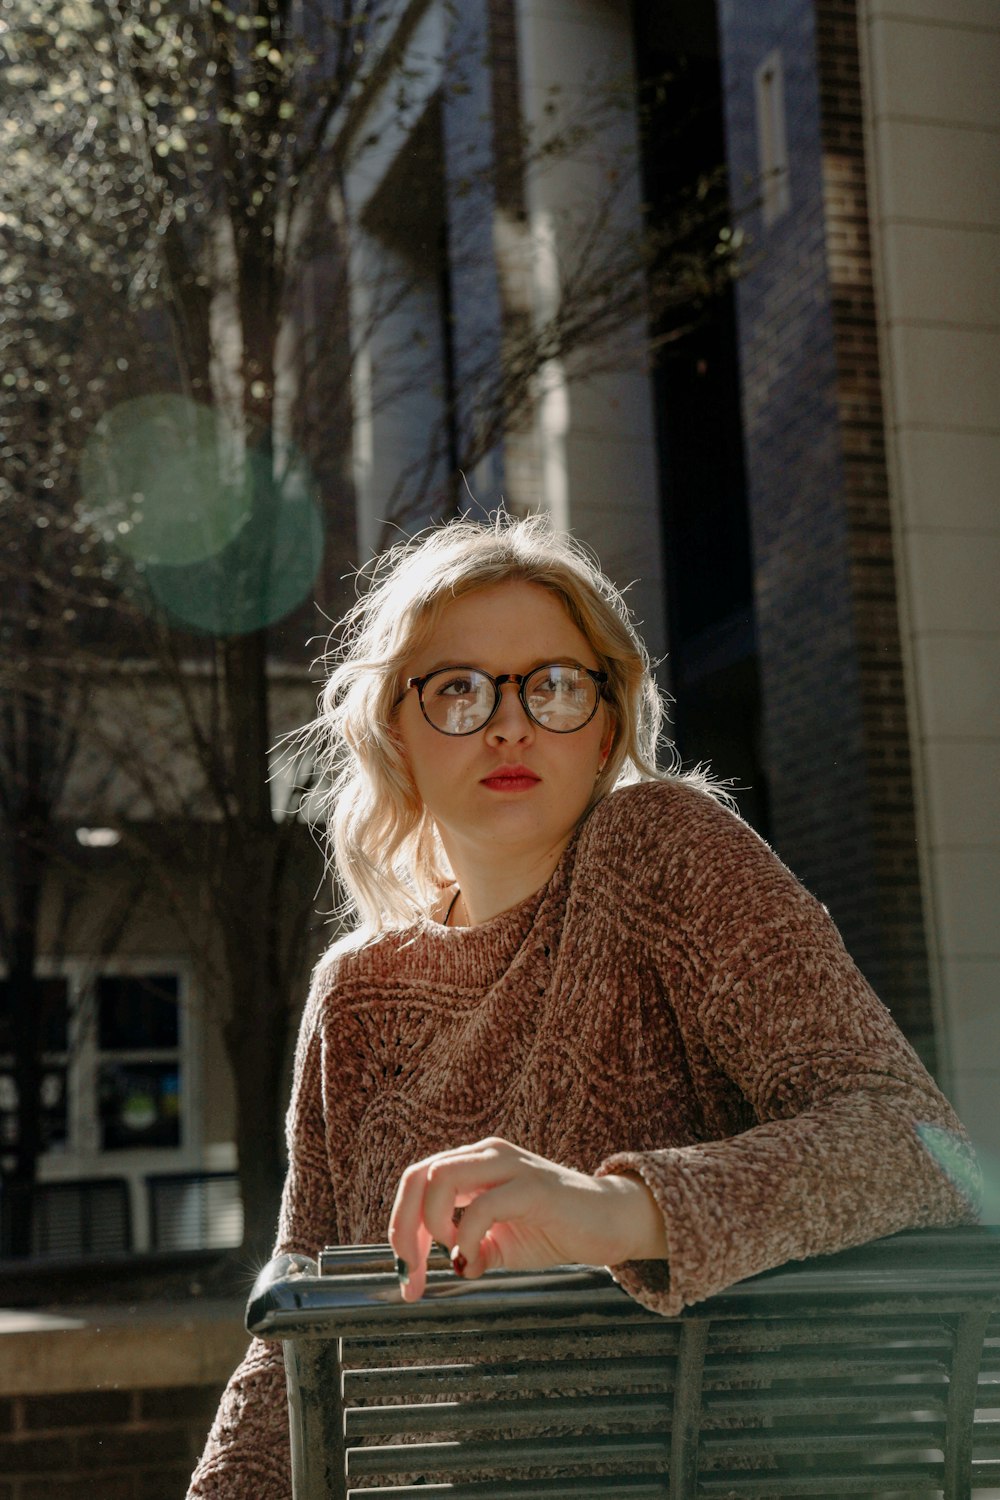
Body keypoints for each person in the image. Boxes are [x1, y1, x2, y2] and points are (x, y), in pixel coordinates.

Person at [188, 513, 978, 1498]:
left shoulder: (663, 849)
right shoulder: (356, 995)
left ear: (607, 720)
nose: (510, 724)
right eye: (460, 690)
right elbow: (289, 1342)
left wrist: (617, 1209)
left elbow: (914, 1141)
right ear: (396, 725)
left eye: (554, 685)